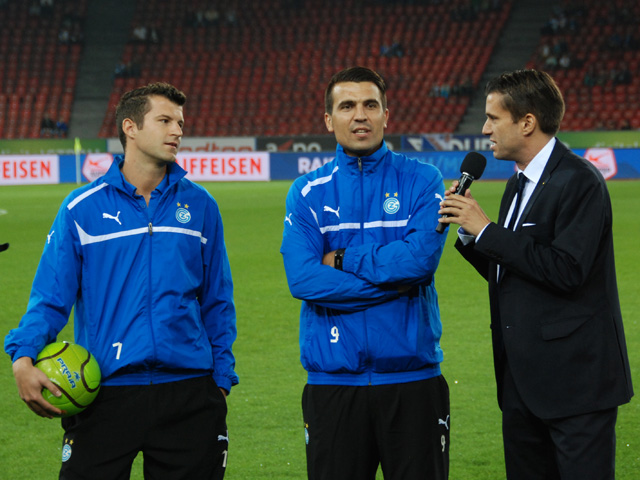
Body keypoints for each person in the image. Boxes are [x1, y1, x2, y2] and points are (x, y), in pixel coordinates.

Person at [5, 82, 238, 479]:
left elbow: (217, 299)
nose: (177, 131)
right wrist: (22, 357)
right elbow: (50, 298)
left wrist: (220, 380)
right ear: (130, 127)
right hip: (105, 393)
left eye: (180, 123)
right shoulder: (81, 209)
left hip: (189, 392)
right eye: (164, 121)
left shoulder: (201, 205)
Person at [438, 69, 633, 480]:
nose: (485, 129)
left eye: (493, 118)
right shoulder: (517, 185)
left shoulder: (579, 181)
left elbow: (567, 270)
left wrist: (487, 231)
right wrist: (471, 235)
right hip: (522, 383)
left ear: (527, 122)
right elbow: (513, 273)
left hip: (576, 386)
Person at [281, 66, 450, 479]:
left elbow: (419, 262)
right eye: (347, 106)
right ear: (329, 120)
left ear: (386, 115)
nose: (360, 115)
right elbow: (302, 279)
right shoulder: (306, 192)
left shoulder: (423, 181)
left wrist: (341, 259)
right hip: (333, 383)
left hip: (413, 381)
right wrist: (395, 284)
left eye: (370, 105)